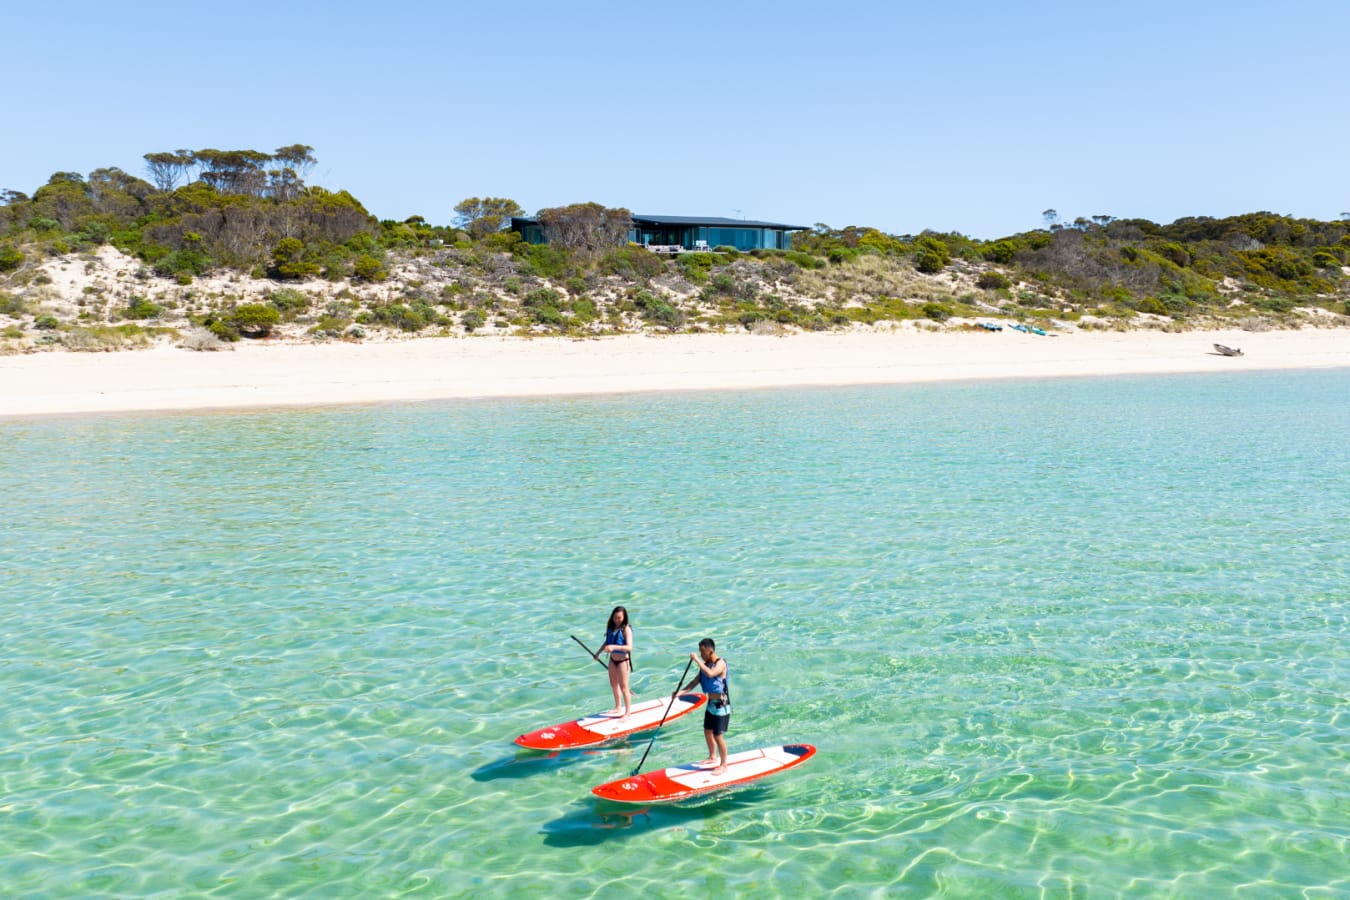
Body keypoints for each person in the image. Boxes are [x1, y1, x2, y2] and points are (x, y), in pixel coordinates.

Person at [675, 638, 730, 773]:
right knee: (707, 731)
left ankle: (724, 765)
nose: (701, 655)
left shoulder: (720, 664)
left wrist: (696, 660)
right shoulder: (705, 666)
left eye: (702, 652)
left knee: (718, 736)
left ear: (710, 651)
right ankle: (712, 756)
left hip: (721, 705)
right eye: (699, 652)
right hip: (711, 704)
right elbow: (694, 682)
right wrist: (680, 692)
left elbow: (711, 674)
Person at [599, 606, 633, 720]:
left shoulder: (626, 629)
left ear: (624, 618)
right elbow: (607, 642)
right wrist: (597, 653)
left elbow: (629, 647)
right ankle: (618, 707)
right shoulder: (611, 627)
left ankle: (628, 713)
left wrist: (613, 647)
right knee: (614, 685)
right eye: (615, 617)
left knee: (624, 688)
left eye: (619, 618)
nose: (617, 620)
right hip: (613, 661)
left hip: (623, 661)